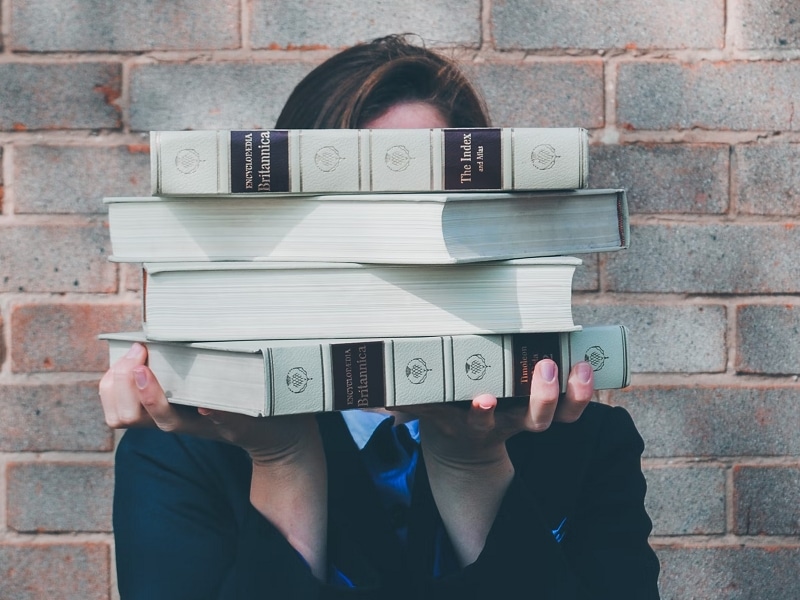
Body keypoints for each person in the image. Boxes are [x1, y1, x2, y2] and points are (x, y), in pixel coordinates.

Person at [99, 34, 661, 599]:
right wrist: (282, 459)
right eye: (360, 214)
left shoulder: (583, 441)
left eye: (429, 211)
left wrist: (475, 467)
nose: (401, 254)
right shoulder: (189, 448)